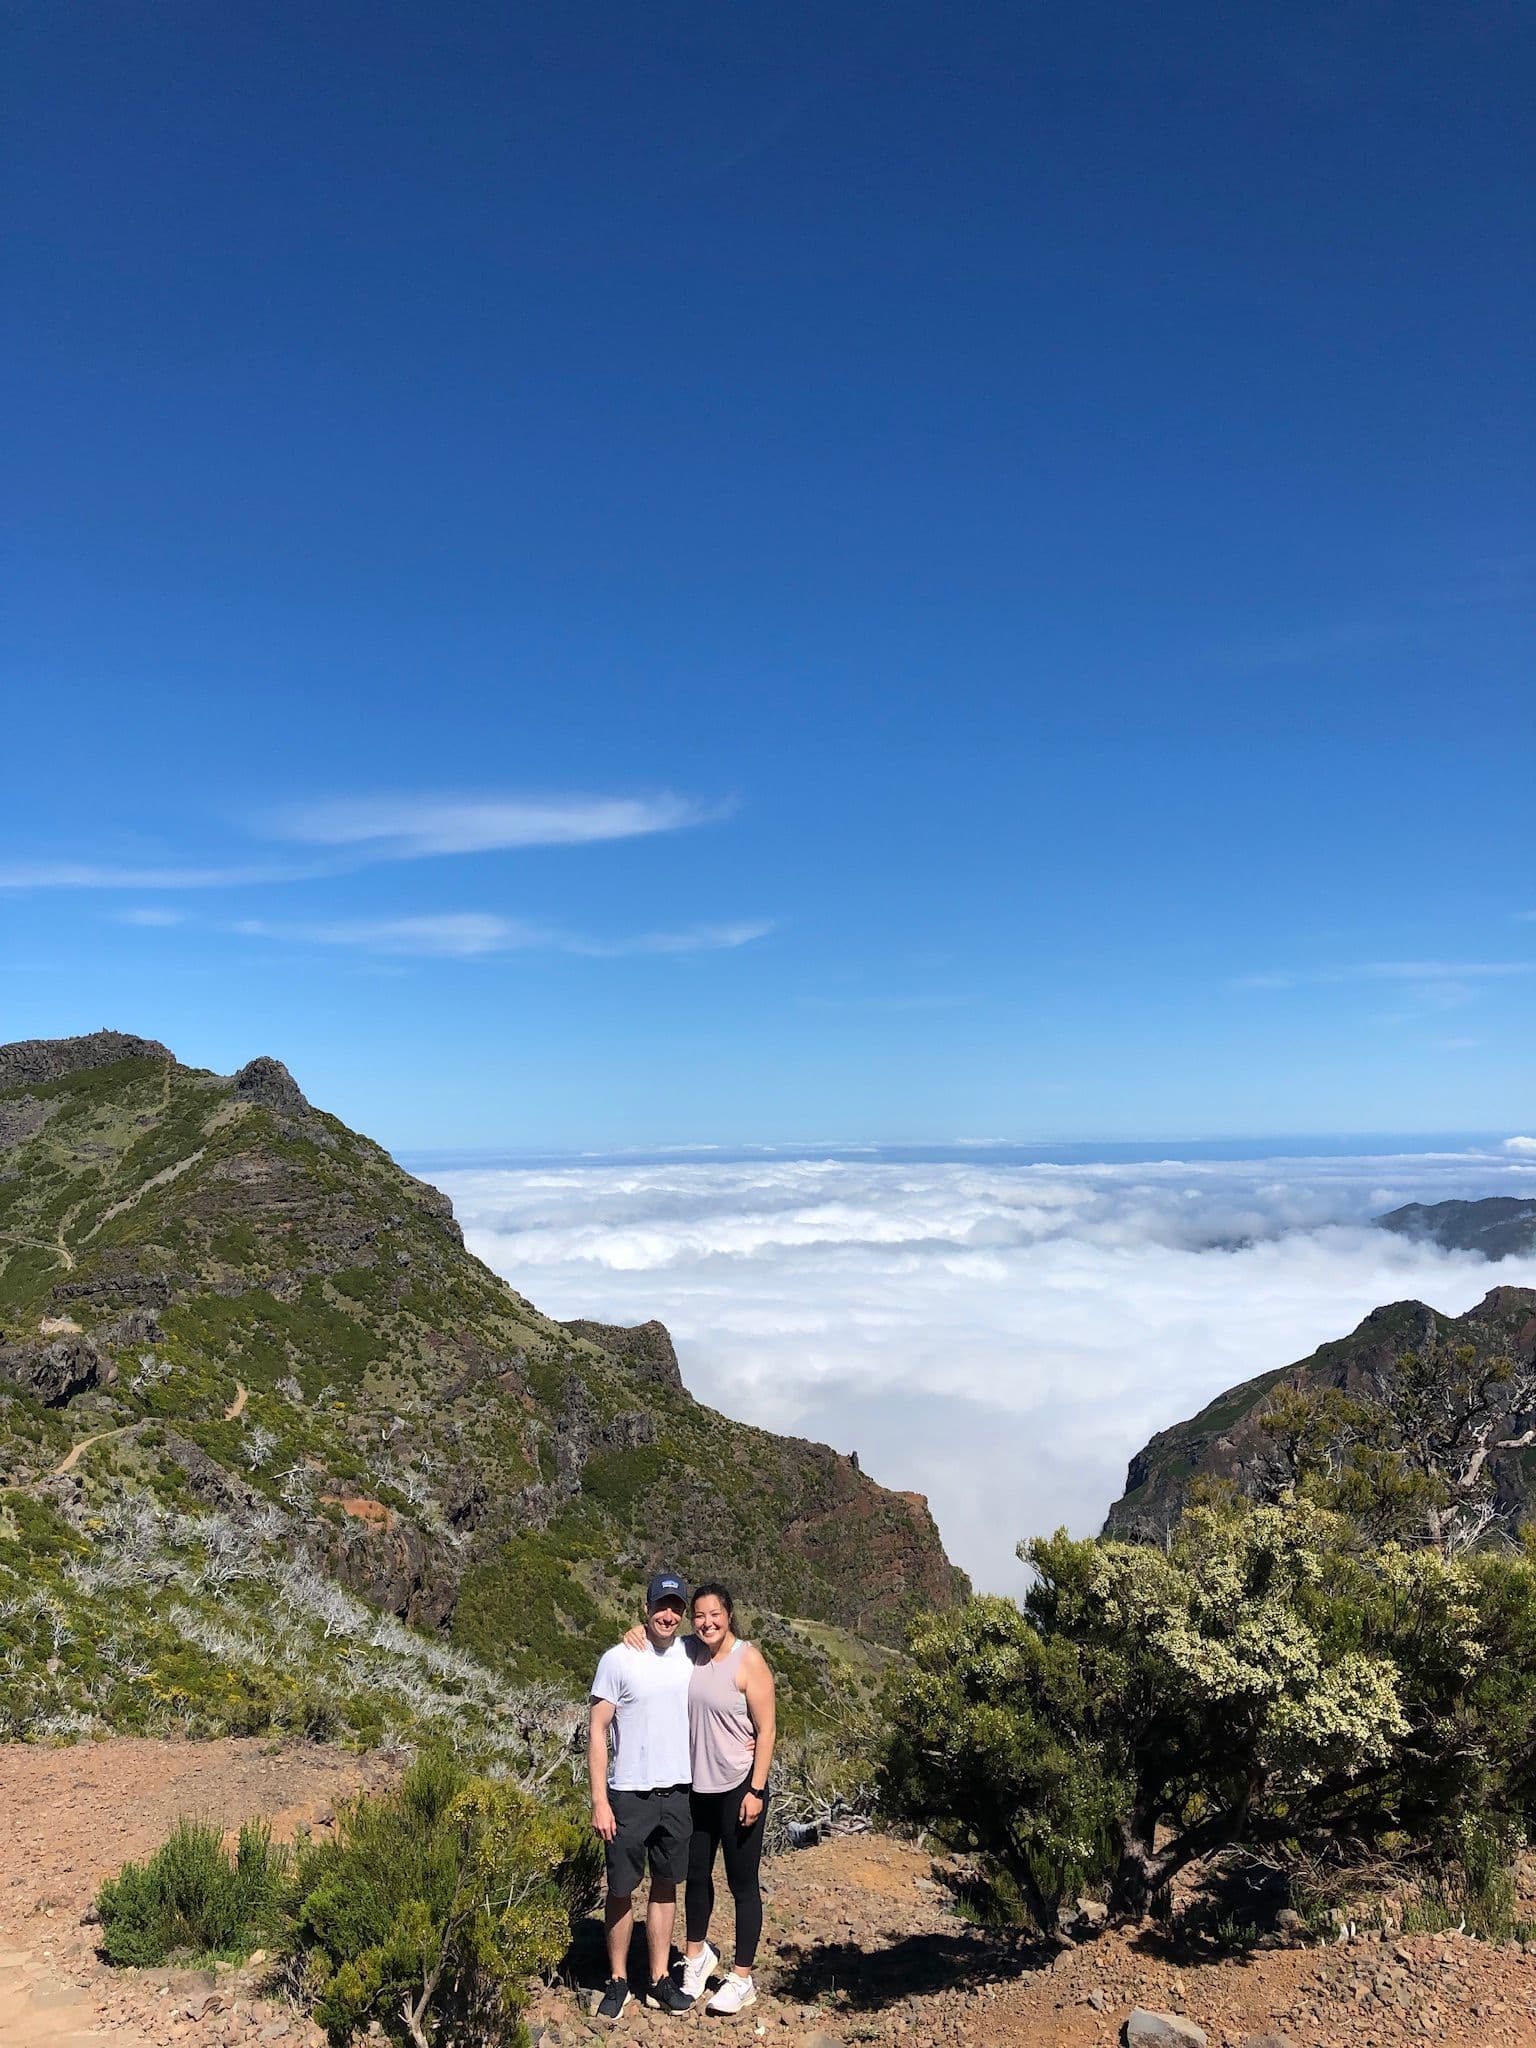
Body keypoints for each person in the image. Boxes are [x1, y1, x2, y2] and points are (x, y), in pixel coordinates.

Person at [626, 1580, 777, 2015]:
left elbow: (766, 1729)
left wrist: (757, 1788)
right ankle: (696, 1958)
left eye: (716, 1614)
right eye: (700, 1615)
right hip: (697, 1788)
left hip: (737, 1787)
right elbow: (660, 1635)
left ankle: (742, 1977)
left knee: (742, 1882)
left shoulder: (748, 1660)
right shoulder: (691, 1650)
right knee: (696, 1877)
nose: (707, 1622)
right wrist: (634, 1632)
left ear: (729, 1615)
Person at [588, 1570, 697, 2019]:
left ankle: (657, 1978)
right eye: (660, 1606)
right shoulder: (617, 1658)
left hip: (677, 1792)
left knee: (666, 1886)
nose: (667, 1615)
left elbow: (730, 1652)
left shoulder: (692, 1654)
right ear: (646, 1608)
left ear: (683, 1614)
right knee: (621, 1888)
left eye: (675, 1608)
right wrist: (599, 1799)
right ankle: (617, 1979)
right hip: (629, 1793)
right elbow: (596, 1730)